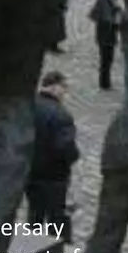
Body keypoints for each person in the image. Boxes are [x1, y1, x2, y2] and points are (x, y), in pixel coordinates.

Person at [28, 70, 81, 243]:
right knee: (57, 218)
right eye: (64, 87)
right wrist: (74, 156)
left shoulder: (30, 106)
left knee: (34, 215)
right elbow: (65, 148)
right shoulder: (61, 115)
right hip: (54, 176)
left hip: (31, 171)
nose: (65, 92)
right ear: (55, 86)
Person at [89, 0, 124, 91]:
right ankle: (105, 83)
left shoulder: (107, 1)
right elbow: (106, 19)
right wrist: (115, 22)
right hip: (106, 36)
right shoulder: (105, 1)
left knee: (107, 60)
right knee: (106, 60)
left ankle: (105, 82)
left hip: (105, 35)